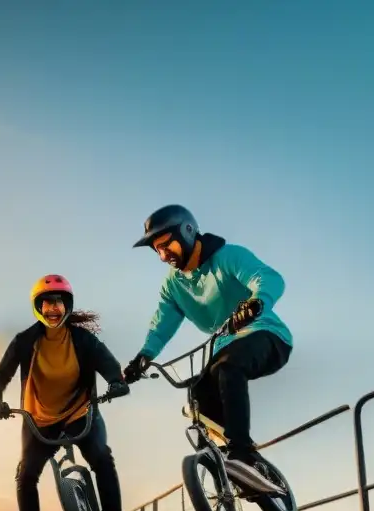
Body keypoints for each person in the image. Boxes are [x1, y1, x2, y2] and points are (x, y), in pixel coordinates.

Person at [125, 204, 292, 493]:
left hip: (266, 335)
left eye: (167, 245)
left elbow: (269, 278)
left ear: (187, 232)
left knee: (227, 366)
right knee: (198, 394)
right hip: (224, 345)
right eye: (158, 250)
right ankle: (240, 466)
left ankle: (242, 452)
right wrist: (144, 356)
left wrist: (255, 302)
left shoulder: (228, 256)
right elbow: (162, 322)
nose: (164, 256)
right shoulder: (173, 285)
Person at [0, 274, 132, 511]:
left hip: (80, 413)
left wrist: (116, 381)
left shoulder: (83, 339)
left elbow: (108, 363)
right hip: (39, 419)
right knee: (26, 474)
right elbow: (0, 375)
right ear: (37, 307)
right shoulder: (25, 341)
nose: (53, 309)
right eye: (47, 303)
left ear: (68, 306)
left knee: (102, 459)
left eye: (59, 303)